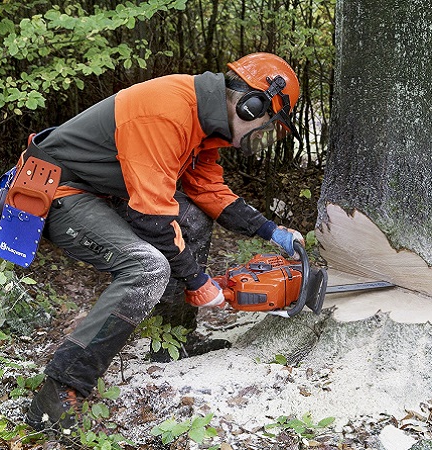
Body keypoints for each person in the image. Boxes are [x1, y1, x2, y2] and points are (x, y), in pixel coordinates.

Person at [22, 52, 305, 432]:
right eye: (266, 125)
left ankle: (174, 342)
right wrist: (198, 282)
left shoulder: (204, 125)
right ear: (251, 106)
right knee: (148, 267)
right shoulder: (168, 111)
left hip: (102, 191)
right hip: (60, 189)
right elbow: (152, 218)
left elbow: (209, 191)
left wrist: (271, 231)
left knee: (193, 219)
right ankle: (59, 389)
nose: (259, 137)